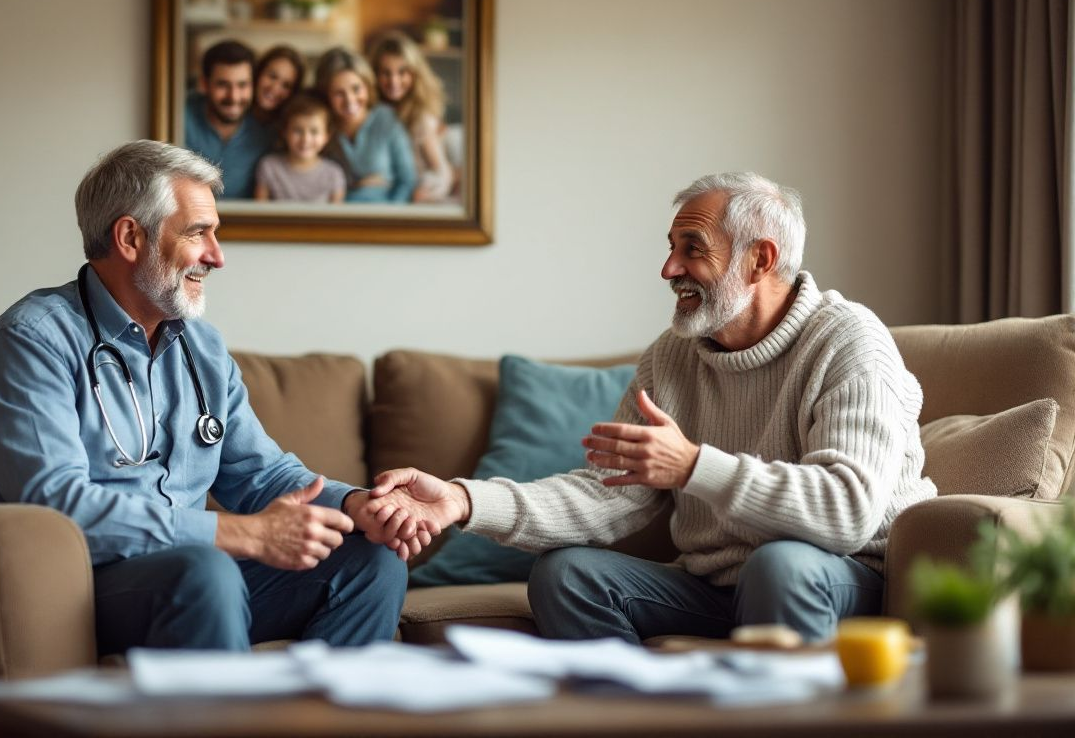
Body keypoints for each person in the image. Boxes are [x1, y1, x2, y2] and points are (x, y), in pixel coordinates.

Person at [364, 172, 938, 644]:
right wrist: (464, 500)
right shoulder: (670, 358)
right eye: (671, 248)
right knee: (568, 576)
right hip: (716, 588)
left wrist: (692, 467)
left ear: (760, 259)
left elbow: (850, 510)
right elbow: (604, 496)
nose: (669, 270)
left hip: (838, 577)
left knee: (779, 566)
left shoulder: (849, 341)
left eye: (693, 250)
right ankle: (637, 716)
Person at [0, 140, 422, 653]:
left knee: (372, 561)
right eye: (199, 233)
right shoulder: (32, 341)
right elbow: (56, 507)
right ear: (130, 237)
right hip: (66, 583)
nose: (217, 256)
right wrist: (241, 535)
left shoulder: (201, 347)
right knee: (205, 570)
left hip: (187, 574)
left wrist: (358, 505)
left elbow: (262, 475)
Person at [313, 47, 416, 203]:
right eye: (339, 93)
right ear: (326, 95)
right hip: (337, 218)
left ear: (367, 86)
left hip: (384, 216)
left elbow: (407, 181)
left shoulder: (386, 118)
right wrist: (357, 186)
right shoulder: (319, 128)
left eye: (356, 89)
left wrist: (391, 215)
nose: (350, 100)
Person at [183, 40, 274, 199]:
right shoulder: (180, 116)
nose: (234, 96)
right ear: (205, 84)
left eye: (242, 85)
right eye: (223, 85)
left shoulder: (265, 133)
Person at [370, 32, 454, 203]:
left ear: (415, 74)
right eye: (386, 73)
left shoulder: (420, 117)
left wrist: (428, 189)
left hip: (412, 193)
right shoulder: (372, 111)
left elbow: (441, 171)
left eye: (402, 73)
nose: (394, 81)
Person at [254, 93, 347, 203]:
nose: (305, 139)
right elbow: (259, 212)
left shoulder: (334, 174)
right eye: (297, 130)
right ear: (285, 132)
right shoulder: (269, 167)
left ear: (326, 136)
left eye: (314, 131)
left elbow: (337, 217)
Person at [251, 44, 306, 126]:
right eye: (272, 76)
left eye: (286, 85)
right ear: (259, 73)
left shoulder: (291, 128)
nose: (274, 88)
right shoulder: (233, 114)